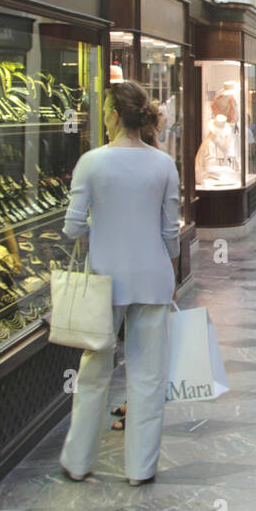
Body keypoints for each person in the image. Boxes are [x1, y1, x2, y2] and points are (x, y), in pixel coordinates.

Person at [60, 80, 180, 487]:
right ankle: (140, 468)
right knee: (148, 377)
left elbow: (73, 227)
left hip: (103, 280)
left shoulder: (91, 163)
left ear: (112, 114)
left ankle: (78, 461)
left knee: (93, 373)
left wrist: (101, 223)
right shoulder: (163, 164)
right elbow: (170, 232)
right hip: (152, 276)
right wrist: (171, 271)